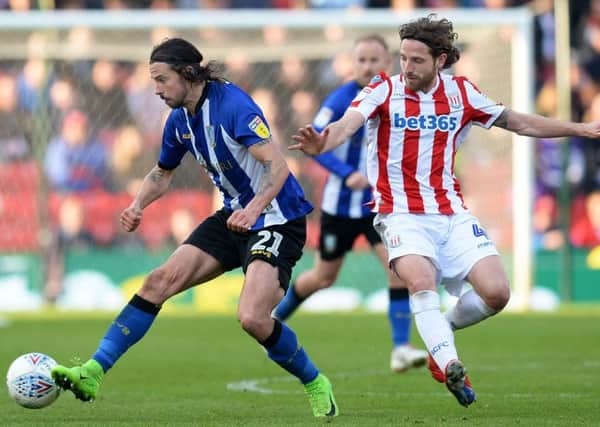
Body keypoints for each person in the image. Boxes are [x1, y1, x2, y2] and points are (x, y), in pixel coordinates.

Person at [288, 14, 600, 408]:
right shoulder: (382, 90)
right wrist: (324, 141)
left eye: (417, 60)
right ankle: (449, 360)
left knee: (497, 293)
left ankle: (440, 334)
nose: (407, 67)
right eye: (402, 58)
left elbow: (519, 122)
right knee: (420, 281)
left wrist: (582, 129)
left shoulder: (462, 94)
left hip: (450, 212)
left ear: (441, 60)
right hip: (399, 213)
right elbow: (347, 125)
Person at [51, 37, 339, 418]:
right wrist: (137, 205)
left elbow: (278, 166)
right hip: (234, 216)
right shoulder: (178, 120)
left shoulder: (233, 106)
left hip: (276, 217)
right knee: (157, 282)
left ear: (188, 73)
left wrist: (253, 211)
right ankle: (93, 371)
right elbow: (161, 173)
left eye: (162, 79)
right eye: (153, 81)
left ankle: (315, 381)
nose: (156, 89)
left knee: (252, 318)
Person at [273, 35, 428, 373]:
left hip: (378, 206)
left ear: (387, 63)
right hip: (340, 207)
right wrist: (345, 173)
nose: (368, 66)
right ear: (353, 64)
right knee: (324, 276)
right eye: (362, 60)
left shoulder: (397, 96)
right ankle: (273, 319)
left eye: (375, 60)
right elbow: (314, 143)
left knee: (397, 269)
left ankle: (401, 347)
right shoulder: (340, 99)